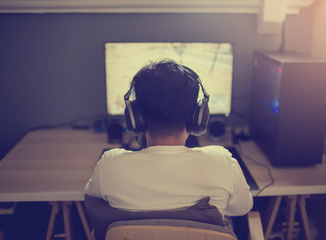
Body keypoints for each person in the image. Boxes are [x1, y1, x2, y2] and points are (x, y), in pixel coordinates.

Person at [84, 59, 253, 237]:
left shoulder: (111, 165)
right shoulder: (221, 162)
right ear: (197, 119)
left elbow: (91, 196)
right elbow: (242, 208)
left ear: (135, 117)